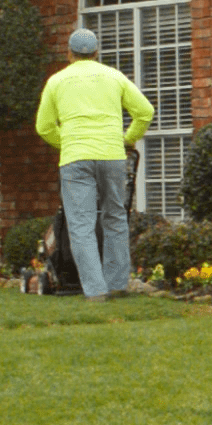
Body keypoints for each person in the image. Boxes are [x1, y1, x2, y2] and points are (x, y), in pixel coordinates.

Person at [35, 28, 154, 302]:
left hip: (76, 158)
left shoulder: (57, 81)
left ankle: (96, 291)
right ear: (97, 53)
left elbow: (44, 126)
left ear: (69, 53)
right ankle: (117, 284)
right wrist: (129, 139)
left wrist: (66, 143)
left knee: (81, 224)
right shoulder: (114, 76)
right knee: (115, 217)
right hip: (112, 155)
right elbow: (145, 111)